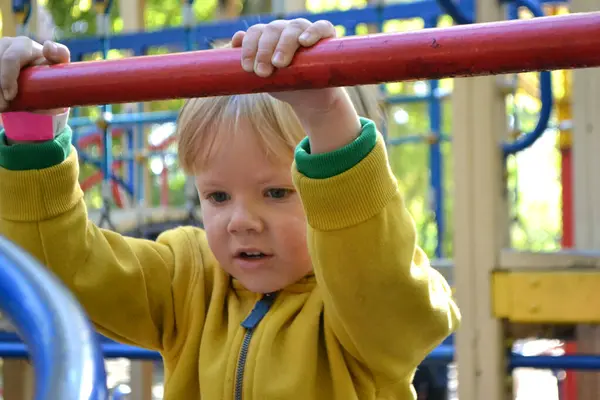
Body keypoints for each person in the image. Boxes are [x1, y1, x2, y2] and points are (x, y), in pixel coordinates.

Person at [0, 18, 460, 399]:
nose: (241, 221)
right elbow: (64, 272)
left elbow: (386, 294)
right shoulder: (189, 280)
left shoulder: (362, 304)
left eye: (278, 193)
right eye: (218, 196)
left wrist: (325, 116)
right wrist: (33, 136)